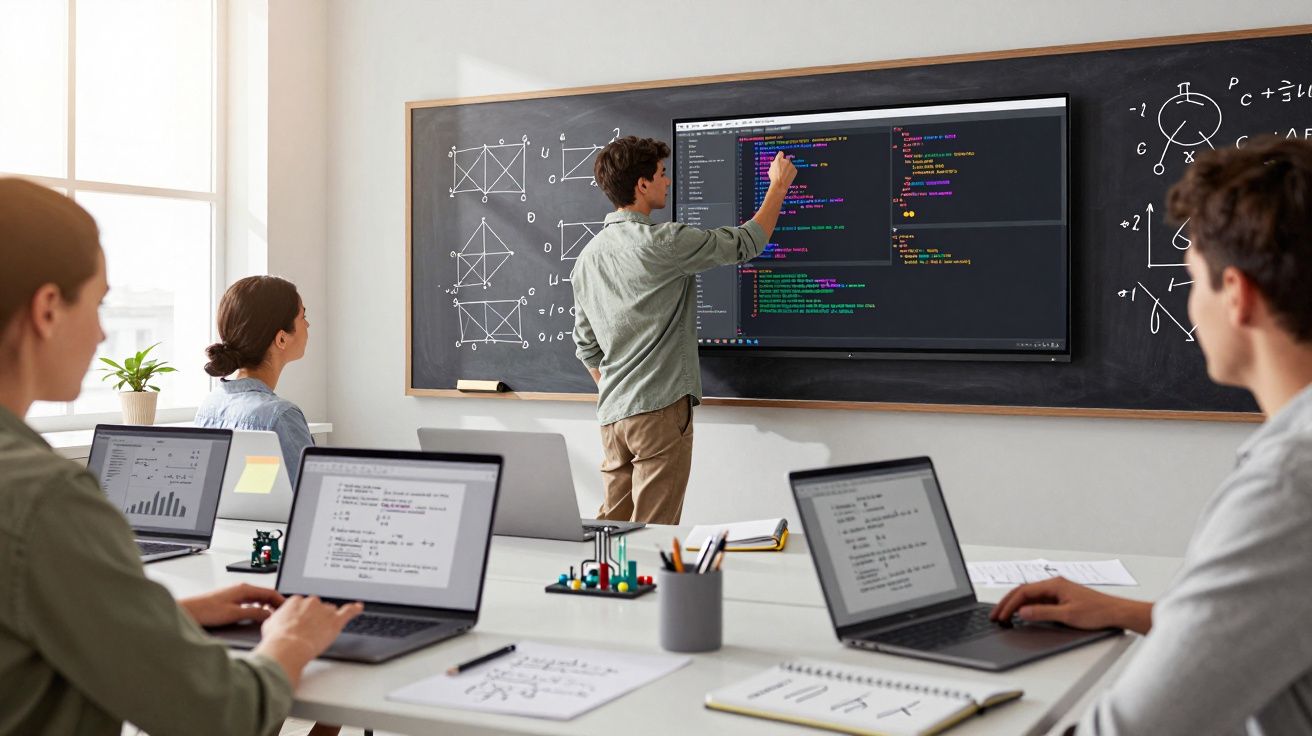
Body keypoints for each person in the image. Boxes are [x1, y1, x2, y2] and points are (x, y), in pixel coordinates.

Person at [0, 178, 362, 735]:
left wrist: (171, 618)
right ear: (47, 309)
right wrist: (292, 641)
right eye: (98, 304)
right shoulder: (48, 500)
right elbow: (222, 716)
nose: (101, 332)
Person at [990, 137, 1312, 735]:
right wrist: (1133, 613)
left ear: (1238, 296)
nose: (1191, 306)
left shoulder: (1291, 481)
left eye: (1194, 281)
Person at [571, 136, 797, 524]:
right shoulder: (664, 243)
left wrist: (620, 389)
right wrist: (777, 186)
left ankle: (603, 586)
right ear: (641, 185)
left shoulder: (587, 258)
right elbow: (747, 242)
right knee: (655, 529)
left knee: (612, 528)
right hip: (658, 411)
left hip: (612, 416)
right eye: (661, 174)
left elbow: (587, 348)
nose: (667, 182)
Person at [196, 275, 314, 484]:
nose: (308, 324)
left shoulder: (209, 406)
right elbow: (310, 497)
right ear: (281, 339)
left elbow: (253, 488)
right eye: (303, 316)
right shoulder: (281, 416)